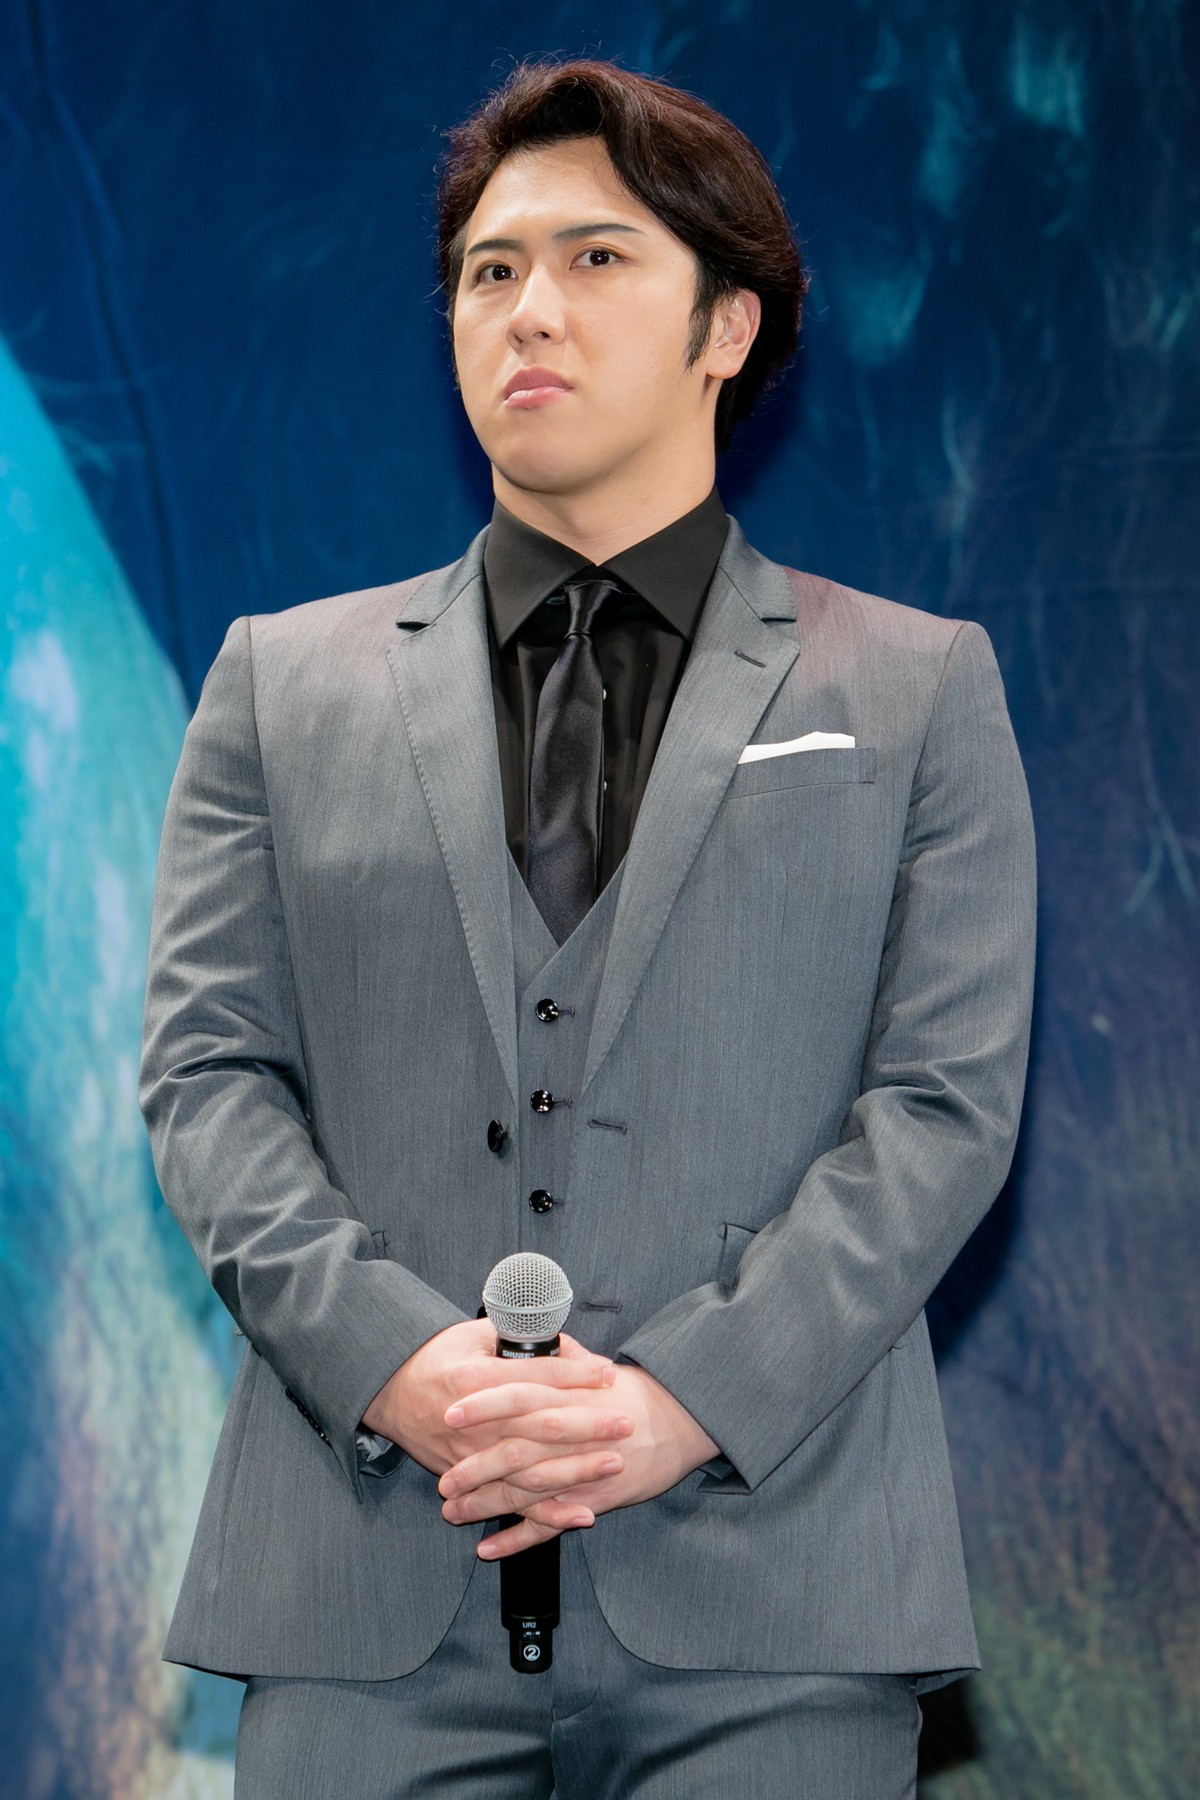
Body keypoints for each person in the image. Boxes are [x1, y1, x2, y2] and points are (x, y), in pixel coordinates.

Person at [139, 56, 1036, 1799]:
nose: (528, 309)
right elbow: (207, 1078)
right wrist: (399, 1364)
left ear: (727, 328)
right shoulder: (280, 684)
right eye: (490, 269)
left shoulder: (916, 687)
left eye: (597, 258)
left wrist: (684, 1400)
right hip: (365, 1590)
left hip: (776, 1598)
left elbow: (944, 1109)